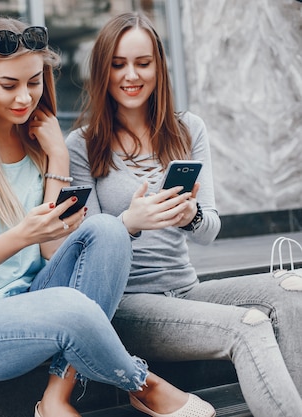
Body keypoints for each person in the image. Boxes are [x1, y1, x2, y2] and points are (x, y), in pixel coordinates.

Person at [0, 17, 214, 417]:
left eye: (34, 82)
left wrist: (56, 158)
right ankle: (143, 383)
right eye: (8, 85)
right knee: (73, 309)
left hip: (35, 303)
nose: (24, 98)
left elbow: (54, 249)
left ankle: (56, 397)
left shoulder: (40, 141)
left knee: (108, 229)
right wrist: (21, 235)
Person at [66, 12, 302, 417]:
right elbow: (86, 247)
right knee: (248, 327)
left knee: (292, 291)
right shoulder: (82, 145)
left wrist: (189, 215)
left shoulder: (187, 129)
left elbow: (209, 230)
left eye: (143, 63)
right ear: (102, 70)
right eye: (118, 64)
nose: (131, 75)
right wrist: (131, 225)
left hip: (186, 289)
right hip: (128, 303)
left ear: (159, 65)